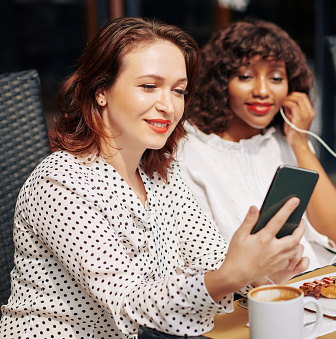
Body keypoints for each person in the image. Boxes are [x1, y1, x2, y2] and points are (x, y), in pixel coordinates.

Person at [0, 17, 309, 338]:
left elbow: (213, 259)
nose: (168, 105)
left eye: (178, 90)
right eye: (149, 86)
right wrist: (232, 275)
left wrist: (261, 273)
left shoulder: (161, 174)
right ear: (101, 90)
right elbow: (131, 302)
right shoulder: (60, 182)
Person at [177, 19, 336, 269]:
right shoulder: (190, 151)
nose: (263, 90)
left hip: (314, 284)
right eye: (245, 76)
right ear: (221, 83)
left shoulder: (287, 140)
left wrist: (300, 143)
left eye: (275, 78)